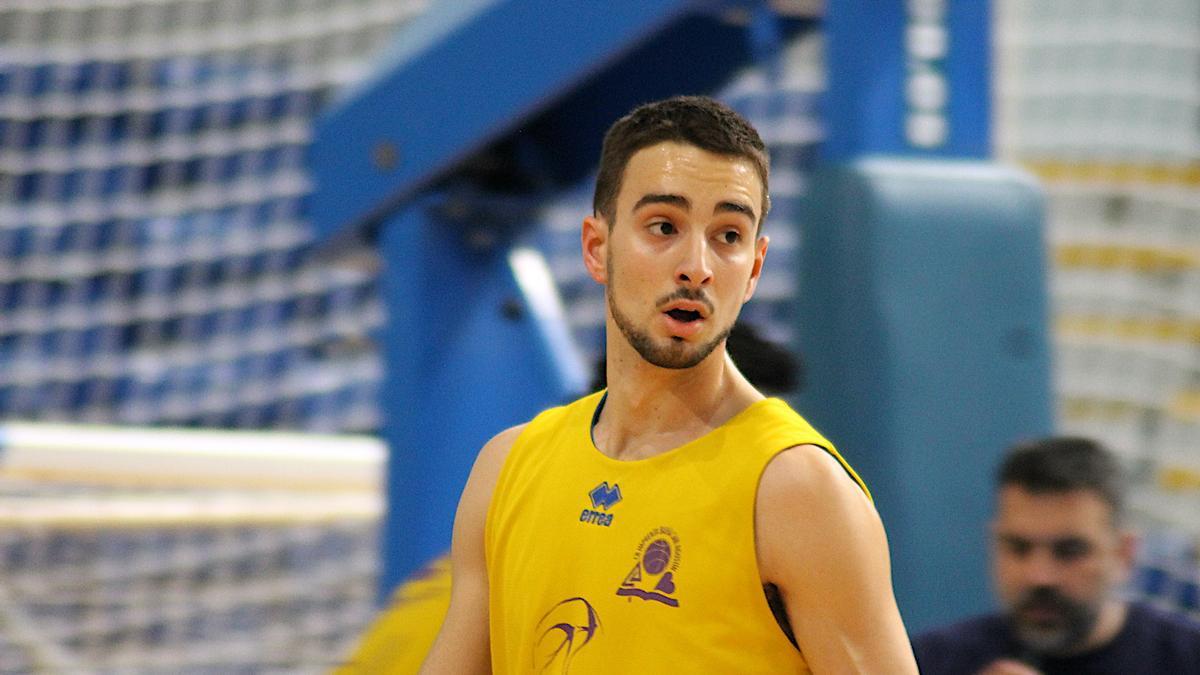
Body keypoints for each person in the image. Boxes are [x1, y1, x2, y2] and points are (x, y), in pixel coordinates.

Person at [420, 95, 917, 673]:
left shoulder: (799, 491)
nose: (697, 266)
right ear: (596, 247)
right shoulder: (504, 469)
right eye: (664, 226)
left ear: (754, 268)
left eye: (728, 235)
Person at [912, 436, 1200, 675]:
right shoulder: (930, 661)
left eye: (1070, 551)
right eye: (1018, 547)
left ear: (1124, 554)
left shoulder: (1186, 658)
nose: (1040, 576)